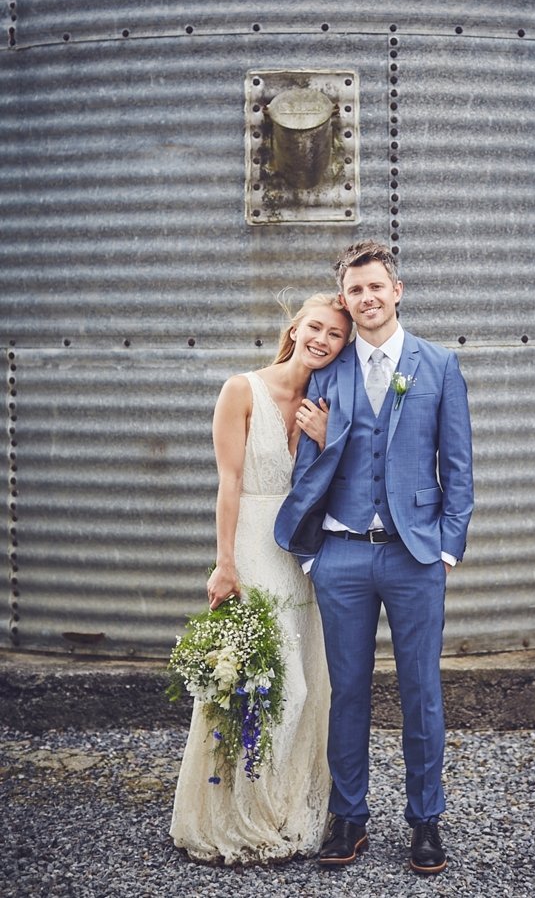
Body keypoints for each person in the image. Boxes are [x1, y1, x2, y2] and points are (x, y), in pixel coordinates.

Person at [275, 241, 474, 875]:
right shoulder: (327, 370)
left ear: (398, 290)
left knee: (422, 693)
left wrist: (446, 547)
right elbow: (307, 469)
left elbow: (459, 467)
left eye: (376, 287)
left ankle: (425, 823)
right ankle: (349, 818)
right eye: (355, 290)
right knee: (348, 692)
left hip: (415, 557)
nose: (367, 299)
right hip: (340, 557)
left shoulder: (438, 365)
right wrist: (311, 555)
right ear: (346, 298)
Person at [170, 293, 353, 865]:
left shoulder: (327, 400)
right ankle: (236, 814)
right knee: (270, 683)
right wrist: (224, 563)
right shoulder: (241, 389)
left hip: (302, 556)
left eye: (336, 335)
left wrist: (327, 441)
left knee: (304, 682)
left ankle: (284, 805)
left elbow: (337, 485)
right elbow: (229, 483)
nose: (322, 340)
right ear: (294, 327)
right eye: (315, 327)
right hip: (252, 542)